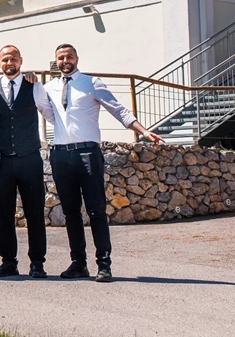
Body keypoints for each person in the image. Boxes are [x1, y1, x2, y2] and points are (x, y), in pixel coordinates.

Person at [37, 43, 164, 283]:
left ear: (77, 58)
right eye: (61, 58)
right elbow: (48, 114)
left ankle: (104, 264)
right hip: (61, 155)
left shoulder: (92, 82)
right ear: (56, 61)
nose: (65, 61)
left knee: (96, 210)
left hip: (88, 153)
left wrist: (144, 131)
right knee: (71, 212)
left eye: (69, 57)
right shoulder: (48, 88)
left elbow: (118, 109)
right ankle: (78, 263)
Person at [0, 45, 54, 278]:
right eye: (5, 59)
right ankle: (8, 261)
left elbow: (50, 113)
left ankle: (37, 262)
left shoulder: (34, 85)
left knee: (34, 212)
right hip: (2, 161)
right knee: (3, 213)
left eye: (13, 59)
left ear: (21, 61)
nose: (9, 63)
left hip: (29, 159)